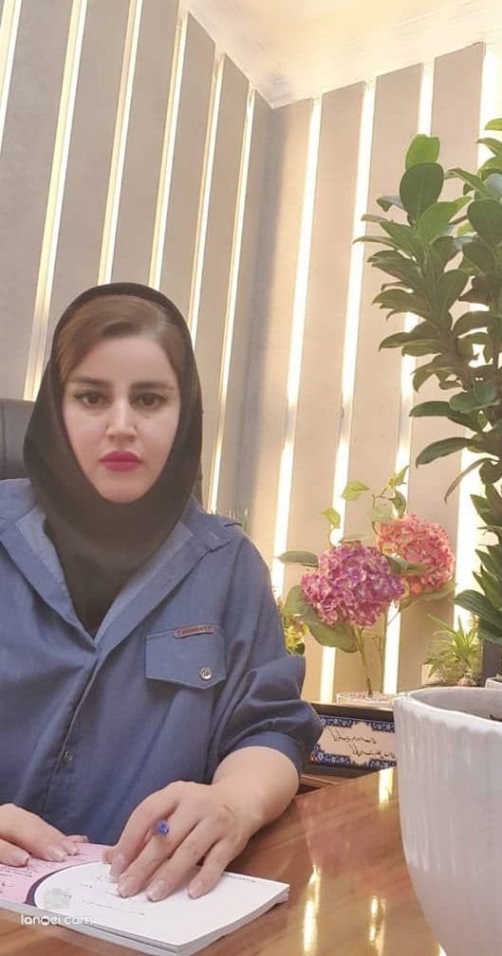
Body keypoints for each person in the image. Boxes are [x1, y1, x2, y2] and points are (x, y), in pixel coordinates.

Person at [0, 282, 321, 903]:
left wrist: (233, 801)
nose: (121, 425)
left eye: (149, 399)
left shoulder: (227, 563)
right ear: (56, 408)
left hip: (142, 908)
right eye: (92, 397)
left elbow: (270, 728)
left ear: (185, 412)